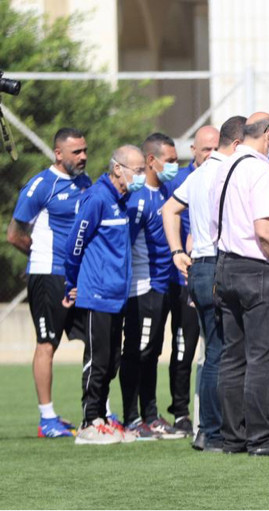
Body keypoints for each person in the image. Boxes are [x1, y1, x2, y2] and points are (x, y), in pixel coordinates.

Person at [212, 112, 269, 456]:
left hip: (227, 266)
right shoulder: (262, 170)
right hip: (258, 270)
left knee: (233, 358)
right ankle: (261, 437)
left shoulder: (225, 167)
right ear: (268, 135)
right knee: (263, 358)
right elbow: (264, 230)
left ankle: (233, 436)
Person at [163, 116, 245, 451]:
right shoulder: (229, 173)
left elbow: (170, 210)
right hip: (220, 264)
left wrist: (178, 251)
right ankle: (215, 431)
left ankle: (209, 430)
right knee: (221, 352)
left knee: (215, 350)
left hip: (201, 265)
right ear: (239, 144)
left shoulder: (196, 175)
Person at [8, 127, 91, 438]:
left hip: (78, 276)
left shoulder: (85, 181)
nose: (83, 156)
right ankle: (47, 419)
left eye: (84, 150)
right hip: (47, 274)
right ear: (59, 154)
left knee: (94, 340)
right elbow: (14, 235)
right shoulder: (41, 185)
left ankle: (96, 410)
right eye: (76, 152)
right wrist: (43, 254)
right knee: (47, 343)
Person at [63, 144, 145, 445]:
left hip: (117, 295)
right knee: (97, 361)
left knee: (112, 362)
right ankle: (89, 422)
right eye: (137, 170)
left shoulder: (124, 200)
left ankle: (102, 418)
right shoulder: (97, 199)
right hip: (96, 294)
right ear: (117, 170)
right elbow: (75, 245)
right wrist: (71, 282)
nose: (141, 176)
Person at [119, 133, 185, 440]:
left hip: (163, 285)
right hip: (141, 288)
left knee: (153, 351)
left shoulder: (167, 192)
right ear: (151, 161)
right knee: (138, 352)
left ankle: (150, 414)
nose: (175, 166)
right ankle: (132, 417)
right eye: (170, 161)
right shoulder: (138, 199)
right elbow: (124, 246)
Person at [160, 127, 216, 436]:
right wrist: (179, 253)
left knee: (212, 350)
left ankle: (209, 416)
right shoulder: (181, 181)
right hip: (179, 279)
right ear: (193, 149)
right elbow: (169, 215)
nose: (209, 154)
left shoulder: (221, 176)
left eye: (214, 148)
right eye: (205, 149)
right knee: (183, 347)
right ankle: (180, 411)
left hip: (208, 275)